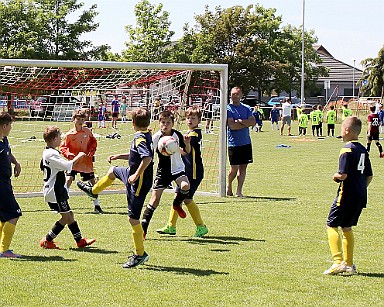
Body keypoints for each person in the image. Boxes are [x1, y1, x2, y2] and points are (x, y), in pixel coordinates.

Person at [77, 108, 153, 268]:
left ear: (133, 123)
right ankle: (93, 191)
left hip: (138, 181)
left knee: (133, 219)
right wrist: (119, 156)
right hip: (131, 173)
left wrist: (136, 175)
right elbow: (137, 156)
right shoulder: (145, 135)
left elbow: (147, 158)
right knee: (112, 171)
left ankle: (140, 254)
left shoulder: (140, 138)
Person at [323, 116, 373, 275]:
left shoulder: (346, 149)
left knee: (331, 225)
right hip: (360, 195)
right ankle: (350, 264)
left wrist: (335, 176)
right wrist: (360, 188)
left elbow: (342, 175)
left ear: (346, 130)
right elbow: (369, 175)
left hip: (346, 195)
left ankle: (338, 261)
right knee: (346, 227)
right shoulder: (363, 149)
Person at [40, 126, 96, 250]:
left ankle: (80, 240)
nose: (61, 139)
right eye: (60, 137)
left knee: (69, 215)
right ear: (54, 139)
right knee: (66, 217)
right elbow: (67, 165)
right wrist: (79, 155)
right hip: (55, 191)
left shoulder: (48, 152)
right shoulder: (51, 154)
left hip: (58, 189)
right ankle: (47, 239)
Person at [156, 106, 208, 237]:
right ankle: (171, 226)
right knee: (177, 197)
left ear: (199, 120)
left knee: (187, 198)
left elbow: (185, 152)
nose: (190, 120)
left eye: (193, 118)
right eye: (188, 118)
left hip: (193, 171)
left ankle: (201, 226)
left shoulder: (194, 135)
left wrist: (168, 147)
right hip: (186, 171)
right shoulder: (188, 134)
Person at [140, 110, 191, 238]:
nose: (165, 125)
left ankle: (176, 204)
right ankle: (143, 229)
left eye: (168, 122)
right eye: (163, 122)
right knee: (154, 200)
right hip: (163, 172)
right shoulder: (156, 137)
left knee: (185, 186)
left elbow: (186, 152)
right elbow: (148, 155)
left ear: (173, 123)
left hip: (178, 169)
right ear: (159, 123)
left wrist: (188, 143)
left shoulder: (177, 135)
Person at [59, 109, 102, 213]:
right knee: (68, 180)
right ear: (74, 119)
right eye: (78, 119)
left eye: (83, 119)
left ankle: (97, 206)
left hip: (86, 162)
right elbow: (63, 147)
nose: (80, 121)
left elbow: (93, 142)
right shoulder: (69, 134)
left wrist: (92, 150)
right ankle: (62, 205)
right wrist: (68, 155)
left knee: (93, 183)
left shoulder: (87, 132)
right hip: (73, 162)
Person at [0, 113, 22, 258]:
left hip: (6, 182)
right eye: (10, 125)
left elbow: (8, 152)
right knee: (14, 213)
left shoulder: (4, 139)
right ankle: (4, 250)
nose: (11, 128)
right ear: (4, 126)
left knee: (3, 216)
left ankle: (2, 249)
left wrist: (16, 163)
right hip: (1, 185)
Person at [226, 86, 255, 198]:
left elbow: (252, 122)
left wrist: (240, 121)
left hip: (246, 142)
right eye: (233, 94)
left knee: (243, 167)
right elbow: (232, 126)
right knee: (234, 168)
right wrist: (245, 123)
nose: (235, 96)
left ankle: (239, 191)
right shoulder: (228, 109)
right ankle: (229, 185)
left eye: (237, 94)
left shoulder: (247, 108)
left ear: (241, 95)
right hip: (233, 143)